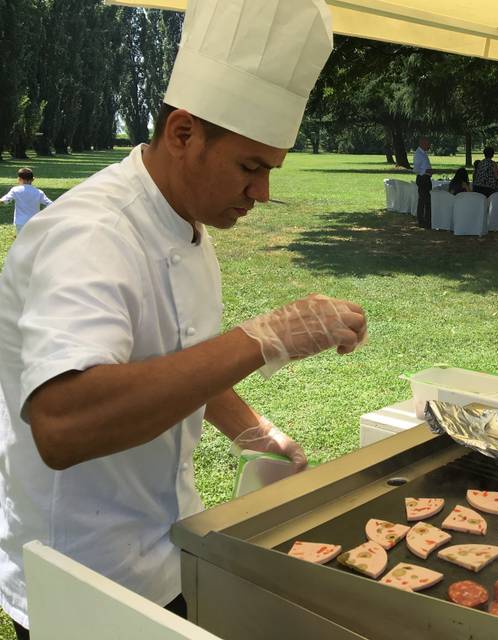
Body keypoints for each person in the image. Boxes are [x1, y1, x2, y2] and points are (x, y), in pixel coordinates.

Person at [0, 2, 368, 638]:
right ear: (183, 133)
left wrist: (252, 429)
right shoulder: (92, 234)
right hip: (85, 570)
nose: (263, 194)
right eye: (251, 167)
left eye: (270, 170)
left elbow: (170, 358)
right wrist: (266, 338)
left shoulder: (182, 217)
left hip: (173, 540)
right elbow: (61, 425)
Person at [0, 168, 53, 234]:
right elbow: (50, 204)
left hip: (20, 222)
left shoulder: (15, 190)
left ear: (19, 179)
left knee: (21, 241)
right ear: (33, 179)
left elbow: (5, 200)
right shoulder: (39, 192)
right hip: (34, 221)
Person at [413, 136, 433, 228]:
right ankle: (424, 221)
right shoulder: (418, 154)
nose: (429, 145)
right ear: (422, 143)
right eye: (427, 143)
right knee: (425, 201)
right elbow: (416, 169)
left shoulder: (423, 153)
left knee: (423, 200)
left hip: (426, 178)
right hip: (422, 179)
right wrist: (426, 172)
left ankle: (424, 220)